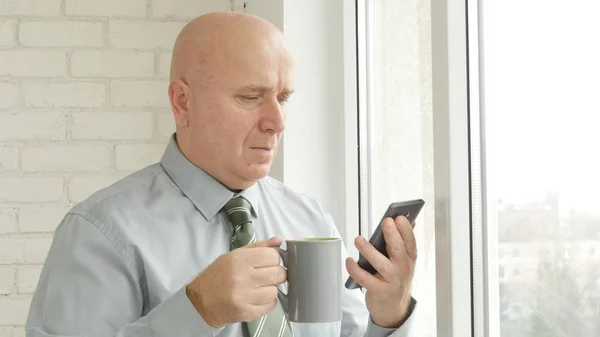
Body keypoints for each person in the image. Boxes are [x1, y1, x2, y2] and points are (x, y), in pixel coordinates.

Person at [25, 11, 418, 337]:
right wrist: (196, 311)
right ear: (183, 102)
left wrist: (389, 317)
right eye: (250, 97)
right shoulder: (100, 233)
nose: (277, 122)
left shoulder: (308, 218)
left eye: (282, 99)